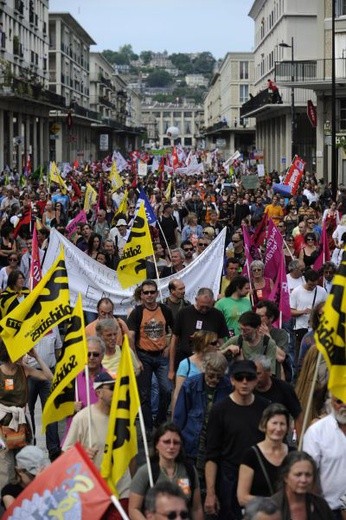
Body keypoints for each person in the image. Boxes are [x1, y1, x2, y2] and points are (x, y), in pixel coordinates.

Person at [204, 360, 270, 520]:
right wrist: (210, 493)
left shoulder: (265, 407)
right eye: (240, 377)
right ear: (232, 380)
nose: (244, 382)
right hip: (229, 480)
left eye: (249, 377)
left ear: (256, 380)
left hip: (259, 479)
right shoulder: (219, 410)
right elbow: (211, 455)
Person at [62, 372, 133, 516]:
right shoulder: (82, 418)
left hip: (122, 490)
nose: (117, 391)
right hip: (94, 492)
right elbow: (65, 454)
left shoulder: (125, 417)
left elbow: (131, 455)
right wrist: (81, 453)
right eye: (112, 388)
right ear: (98, 392)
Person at [0, 341, 53, 492]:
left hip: (21, 424)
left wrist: (36, 356)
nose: (23, 354)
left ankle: (28, 494)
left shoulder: (25, 370)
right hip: (2, 425)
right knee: (6, 465)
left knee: (27, 461)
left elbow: (49, 376)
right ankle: (6, 501)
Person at [173, 352, 231, 487]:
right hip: (191, 441)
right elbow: (179, 417)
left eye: (218, 377)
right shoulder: (190, 385)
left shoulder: (227, 386)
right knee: (185, 482)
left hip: (216, 443)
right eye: (211, 376)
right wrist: (176, 441)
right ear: (204, 370)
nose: (214, 380)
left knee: (211, 483)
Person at [129, 423, 203, 520]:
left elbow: (196, 508)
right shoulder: (145, 472)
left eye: (176, 442)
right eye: (166, 442)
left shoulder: (189, 470)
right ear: (156, 445)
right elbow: (133, 509)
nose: (171, 446)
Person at [127, 279, 174, 434]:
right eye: (146, 292)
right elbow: (131, 337)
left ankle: (159, 421)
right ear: (141, 295)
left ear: (157, 293)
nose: (149, 295)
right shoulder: (137, 312)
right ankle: (148, 429)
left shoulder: (165, 310)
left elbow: (175, 331)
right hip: (144, 356)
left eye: (152, 292)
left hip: (161, 356)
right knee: (144, 394)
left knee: (167, 390)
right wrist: (136, 359)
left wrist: (168, 346)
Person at [237, 403, 291, 507]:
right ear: (264, 425)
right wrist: (273, 502)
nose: (278, 428)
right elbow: (242, 497)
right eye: (274, 423)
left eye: (282, 424)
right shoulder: (251, 455)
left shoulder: (293, 454)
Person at [303, 393, 346, 518]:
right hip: (329, 511)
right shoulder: (316, 432)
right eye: (339, 401)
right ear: (331, 402)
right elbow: (307, 474)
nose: (344, 405)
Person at [169, 287, 229, 376]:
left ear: (213, 302)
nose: (204, 309)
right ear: (196, 300)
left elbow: (221, 341)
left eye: (207, 307)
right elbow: (174, 341)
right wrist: (171, 369)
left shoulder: (218, 315)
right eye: (202, 306)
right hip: (185, 360)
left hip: (209, 364)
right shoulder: (183, 313)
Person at [25, 327, 62, 461]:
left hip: (48, 374)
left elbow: (58, 348)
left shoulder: (53, 325)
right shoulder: (26, 324)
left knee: (51, 412)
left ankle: (54, 450)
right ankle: (30, 448)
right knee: (28, 413)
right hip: (29, 374)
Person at [270, 451, 334, 519]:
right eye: (298, 475)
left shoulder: (320, 505)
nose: (304, 480)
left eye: (308, 475)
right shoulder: (270, 507)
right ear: (286, 477)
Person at [253, 356, 303, 438]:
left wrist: (299, 439)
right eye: (252, 374)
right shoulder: (249, 390)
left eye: (258, 374)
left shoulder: (284, 389)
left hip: (279, 438)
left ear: (268, 372)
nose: (255, 378)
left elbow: (297, 414)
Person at [172, 330, 219, 413]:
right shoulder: (186, 364)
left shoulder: (215, 363)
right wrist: (175, 419)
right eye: (214, 343)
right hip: (191, 411)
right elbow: (177, 394)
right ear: (203, 346)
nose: (218, 345)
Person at [290, 269, 327, 369]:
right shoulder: (296, 292)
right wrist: (303, 311)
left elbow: (327, 308)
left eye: (315, 285)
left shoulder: (322, 291)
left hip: (317, 329)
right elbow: (291, 311)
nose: (312, 287)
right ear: (305, 281)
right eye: (310, 285)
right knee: (301, 357)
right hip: (301, 328)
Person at [222, 311, 278, 376]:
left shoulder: (268, 344)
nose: (242, 333)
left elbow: (270, 373)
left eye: (246, 330)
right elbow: (215, 355)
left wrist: (243, 364)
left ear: (257, 328)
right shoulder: (237, 340)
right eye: (240, 329)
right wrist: (226, 350)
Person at [1, 446, 49, 510]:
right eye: (33, 475)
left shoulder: (47, 484)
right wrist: (36, 487)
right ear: (20, 471)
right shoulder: (9, 492)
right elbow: (16, 515)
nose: (40, 478)